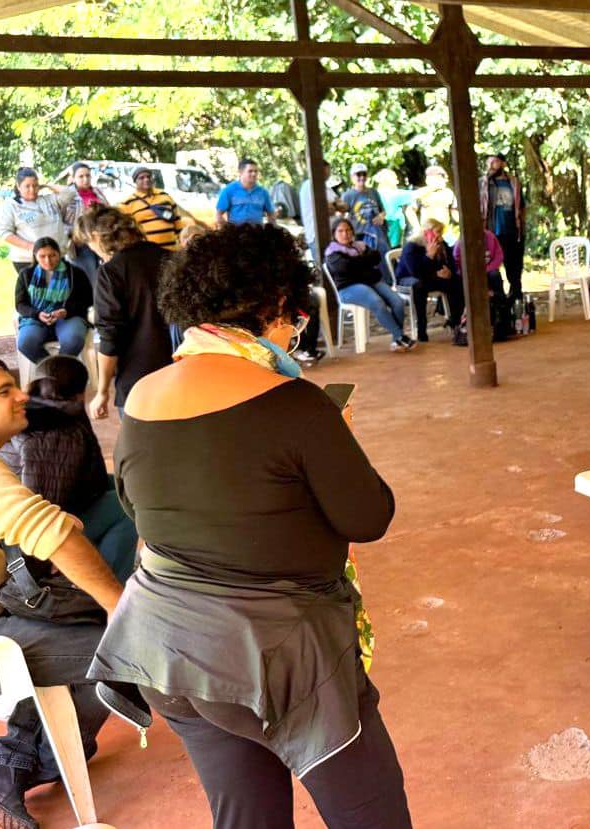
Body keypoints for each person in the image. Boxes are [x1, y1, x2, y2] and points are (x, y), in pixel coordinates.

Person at [87, 223, 413, 829]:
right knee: (372, 814)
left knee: (246, 818)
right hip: (279, 655)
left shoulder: (143, 397)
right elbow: (369, 517)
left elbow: (139, 507)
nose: (295, 334)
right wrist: (333, 439)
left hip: (163, 648)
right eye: (295, 319)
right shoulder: (296, 403)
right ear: (270, 308)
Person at [0, 356, 122, 829]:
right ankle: (20, 758)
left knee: (84, 624)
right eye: (2, 391)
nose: (22, 395)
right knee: (131, 650)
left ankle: (14, 758)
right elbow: (45, 530)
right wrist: (122, 607)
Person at [0, 355, 139, 578]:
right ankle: (107, 586)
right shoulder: (58, 429)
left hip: (41, 508)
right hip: (32, 540)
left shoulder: (39, 408)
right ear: (81, 392)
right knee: (129, 503)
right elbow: (45, 501)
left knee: (123, 482)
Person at [77, 206, 173, 420]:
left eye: (89, 244)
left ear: (96, 237)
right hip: (179, 366)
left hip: (138, 377)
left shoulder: (111, 272)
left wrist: (102, 392)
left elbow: (110, 337)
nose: (92, 249)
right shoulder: (169, 257)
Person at [325, 218, 416, 352]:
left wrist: (358, 262)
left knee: (397, 301)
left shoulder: (359, 245)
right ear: (334, 234)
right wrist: (364, 261)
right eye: (341, 231)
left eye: (348, 230)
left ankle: (397, 342)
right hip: (348, 288)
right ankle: (400, 336)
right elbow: (345, 268)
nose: (345, 234)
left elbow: (376, 257)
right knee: (377, 302)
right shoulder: (332, 252)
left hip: (371, 282)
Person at [14, 237, 92, 366]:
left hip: (68, 316)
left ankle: (55, 373)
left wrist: (66, 311)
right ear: (35, 256)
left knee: (73, 340)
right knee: (25, 344)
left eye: (52, 255)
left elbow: (87, 300)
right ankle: (53, 370)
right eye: (42, 256)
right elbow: (20, 304)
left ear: (59, 254)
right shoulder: (26, 274)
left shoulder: (75, 273)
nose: (48, 260)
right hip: (36, 317)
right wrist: (37, 314)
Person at [0, 167, 75, 274]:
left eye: (35, 185)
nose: (32, 190)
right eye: (27, 186)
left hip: (57, 256)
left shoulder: (48, 200)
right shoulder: (11, 206)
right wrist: (33, 247)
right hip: (29, 260)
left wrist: (47, 185)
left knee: (60, 290)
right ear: (18, 187)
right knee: (37, 290)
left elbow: (70, 194)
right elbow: (4, 233)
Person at [396, 219, 463, 343]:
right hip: (408, 279)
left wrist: (449, 272)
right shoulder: (412, 247)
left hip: (431, 277)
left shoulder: (441, 245)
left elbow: (451, 263)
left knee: (457, 282)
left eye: (441, 233)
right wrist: (429, 256)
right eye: (437, 232)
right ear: (427, 232)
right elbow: (415, 272)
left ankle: (456, 321)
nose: (439, 236)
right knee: (419, 286)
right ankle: (422, 329)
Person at [479, 153, 526, 299]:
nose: (492, 165)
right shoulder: (483, 183)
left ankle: (515, 300)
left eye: (495, 162)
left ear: (503, 164)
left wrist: (522, 230)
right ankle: (497, 301)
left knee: (514, 269)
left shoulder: (514, 183)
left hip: (511, 232)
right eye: (489, 162)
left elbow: (522, 207)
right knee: (492, 269)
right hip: (491, 233)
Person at [117, 167, 192, 250]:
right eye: (141, 178)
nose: (146, 180)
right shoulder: (128, 203)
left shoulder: (164, 196)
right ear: (135, 181)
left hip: (171, 249)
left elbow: (177, 220)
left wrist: (182, 241)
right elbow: (124, 229)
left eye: (148, 177)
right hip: (147, 251)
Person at [64, 163, 109, 281]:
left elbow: (108, 211)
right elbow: (62, 221)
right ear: (73, 178)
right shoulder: (68, 195)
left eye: (88, 176)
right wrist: (73, 236)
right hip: (81, 244)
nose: (85, 179)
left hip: (102, 240)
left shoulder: (97, 191)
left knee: (104, 277)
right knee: (87, 280)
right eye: (81, 176)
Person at [297, 161, 345, 258]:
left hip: (331, 235)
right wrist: (335, 205)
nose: (327, 175)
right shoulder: (310, 186)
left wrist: (333, 205)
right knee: (324, 267)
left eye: (328, 172)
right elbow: (327, 209)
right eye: (325, 172)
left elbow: (344, 207)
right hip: (318, 237)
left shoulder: (327, 188)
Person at [344, 163, 391, 260]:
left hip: (378, 234)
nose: (362, 177)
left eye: (364, 174)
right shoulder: (348, 195)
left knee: (384, 259)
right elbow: (342, 217)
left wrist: (381, 216)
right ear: (352, 177)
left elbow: (383, 211)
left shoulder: (374, 192)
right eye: (358, 174)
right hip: (359, 235)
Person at [215, 158, 276, 226]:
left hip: (257, 234)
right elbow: (218, 215)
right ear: (241, 172)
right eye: (250, 171)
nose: (254, 174)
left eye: (256, 171)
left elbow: (271, 215)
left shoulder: (263, 192)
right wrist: (228, 231)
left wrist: (272, 231)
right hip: (236, 234)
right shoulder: (228, 191)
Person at [406, 164, 457, 232]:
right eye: (443, 178)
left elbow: (454, 211)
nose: (446, 181)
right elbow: (410, 211)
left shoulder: (449, 193)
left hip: (445, 232)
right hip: (428, 232)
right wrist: (418, 228)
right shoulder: (422, 193)